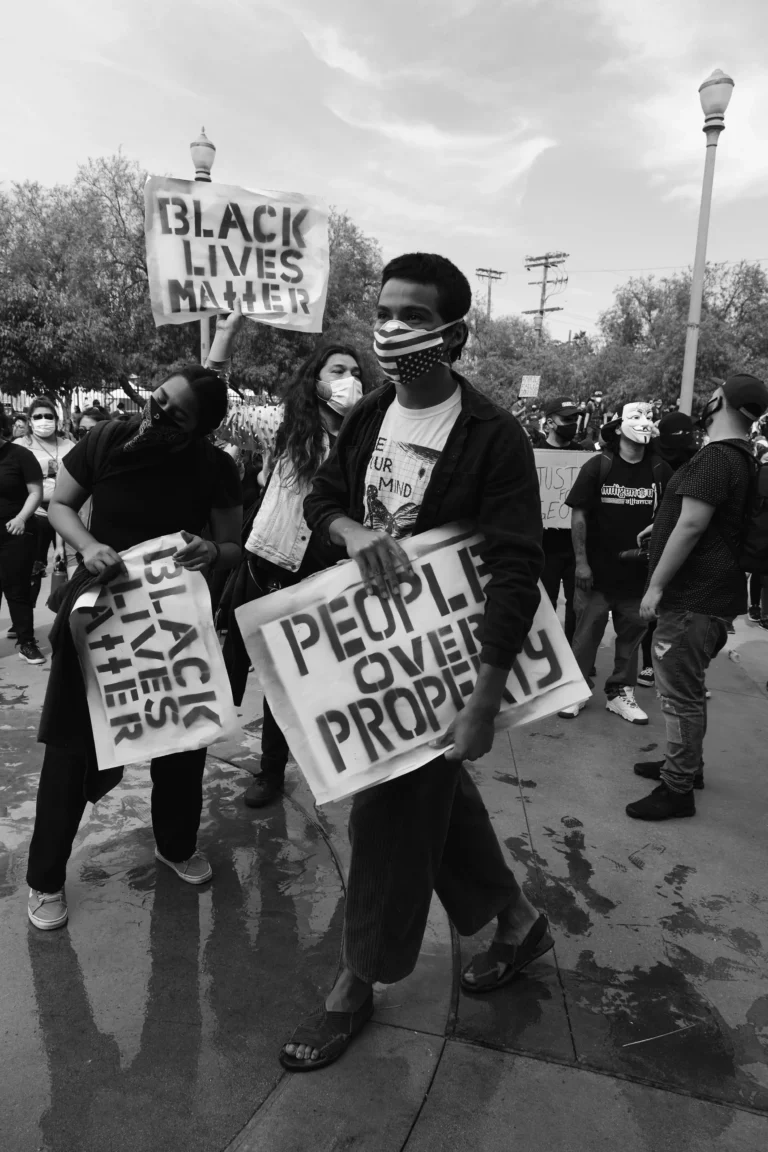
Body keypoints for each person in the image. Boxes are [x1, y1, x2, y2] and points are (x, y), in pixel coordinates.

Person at [279, 252, 549, 1072]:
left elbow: (515, 568)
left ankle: (355, 984)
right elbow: (323, 501)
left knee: (390, 820)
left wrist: (486, 692)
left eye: (410, 316)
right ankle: (515, 921)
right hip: (368, 654)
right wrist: (355, 535)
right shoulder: (366, 417)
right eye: (383, 312)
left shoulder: (493, 438)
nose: (389, 330)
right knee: (435, 800)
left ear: (453, 333)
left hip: (441, 664)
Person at [25, 366, 243, 931]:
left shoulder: (215, 467)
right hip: (96, 615)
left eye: (175, 413)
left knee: (181, 739)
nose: (156, 412)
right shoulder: (104, 439)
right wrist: (90, 544)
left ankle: (175, 845)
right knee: (73, 746)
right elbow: (60, 507)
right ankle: (45, 879)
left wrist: (211, 553)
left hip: (171, 622)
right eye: (158, 398)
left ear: (200, 430)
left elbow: (233, 544)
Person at [206, 304, 366, 808]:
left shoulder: (371, 439)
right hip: (266, 566)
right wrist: (225, 336)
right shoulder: (285, 425)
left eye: (357, 373)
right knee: (242, 667)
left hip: (324, 576)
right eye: (338, 371)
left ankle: (278, 772)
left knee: (299, 680)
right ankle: (201, 747)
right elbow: (221, 410)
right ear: (314, 380)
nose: (350, 381)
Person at [627, 374, 768, 819]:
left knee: (679, 695)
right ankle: (685, 766)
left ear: (721, 401)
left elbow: (692, 526)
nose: (706, 401)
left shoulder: (716, 458)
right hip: (709, 595)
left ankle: (678, 788)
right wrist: (660, 525)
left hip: (692, 599)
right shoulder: (741, 456)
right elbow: (699, 519)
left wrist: (655, 587)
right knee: (688, 687)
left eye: (714, 395)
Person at [559, 402, 672, 724]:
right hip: (595, 574)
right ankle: (577, 691)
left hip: (638, 577)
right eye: (636, 417)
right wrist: (581, 563)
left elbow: (671, 516)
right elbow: (578, 514)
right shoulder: (598, 466)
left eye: (649, 418)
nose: (644, 423)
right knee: (585, 636)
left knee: (631, 638)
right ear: (619, 427)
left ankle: (620, 693)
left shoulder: (661, 471)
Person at [637, 412, 699, 687]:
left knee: (677, 611)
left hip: (685, 547)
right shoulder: (655, 461)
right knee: (653, 610)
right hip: (658, 540)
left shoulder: (699, 465)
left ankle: (680, 670)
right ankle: (651, 665)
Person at [537, 398, 591, 642]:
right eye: (566, 419)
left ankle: (573, 655)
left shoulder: (584, 456)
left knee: (577, 606)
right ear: (550, 422)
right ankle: (546, 652)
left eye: (574, 419)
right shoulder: (533, 452)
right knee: (543, 605)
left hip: (575, 547)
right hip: (544, 546)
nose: (572, 424)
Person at [18, 397, 75, 606]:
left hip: (68, 512)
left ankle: (65, 614)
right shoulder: (20, 447)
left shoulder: (70, 445)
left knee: (67, 564)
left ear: (56, 419)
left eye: (48, 416)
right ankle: (23, 619)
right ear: (30, 421)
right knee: (33, 566)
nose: (44, 420)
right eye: (38, 416)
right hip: (35, 515)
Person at [0, 415, 45, 663]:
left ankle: (26, 642)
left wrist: (21, 518)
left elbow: (35, 492)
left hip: (15, 530)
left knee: (16, 588)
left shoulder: (19, 455)